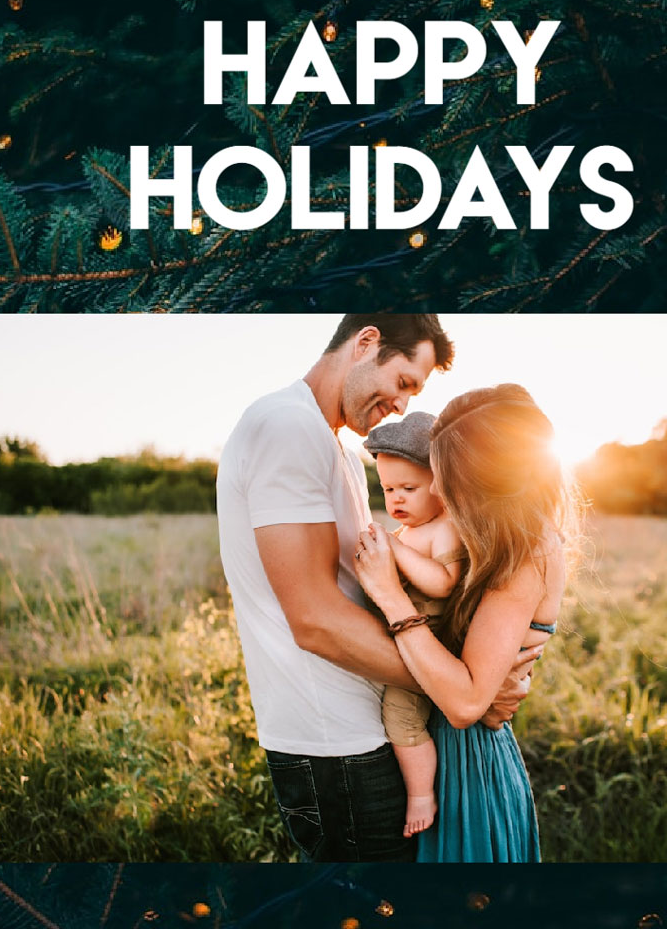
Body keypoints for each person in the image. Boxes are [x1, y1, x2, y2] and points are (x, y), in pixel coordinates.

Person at [216, 317, 538, 862]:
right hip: (337, 746)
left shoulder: (336, 446)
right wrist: (464, 690)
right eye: (405, 382)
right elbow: (314, 620)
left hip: (369, 731)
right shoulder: (286, 427)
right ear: (366, 343)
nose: (403, 404)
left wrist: (471, 682)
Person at [354, 384, 575, 862]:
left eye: (448, 477)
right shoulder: (491, 541)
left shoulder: (526, 552)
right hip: (446, 752)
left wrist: (392, 598)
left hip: (469, 766)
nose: (438, 490)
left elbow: (466, 701)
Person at [363, 411, 464, 838]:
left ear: (441, 486)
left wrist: (395, 550)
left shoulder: (445, 529)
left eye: (409, 488)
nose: (397, 500)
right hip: (403, 638)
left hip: (428, 647)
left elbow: (443, 583)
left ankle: (421, 794)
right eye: (388, 489)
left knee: (400, 717)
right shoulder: (410, 530)